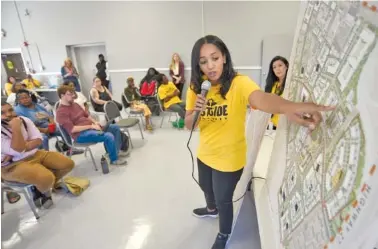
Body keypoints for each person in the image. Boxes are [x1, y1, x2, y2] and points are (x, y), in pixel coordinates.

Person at [185, 35, 334, 249]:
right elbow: (189, 124)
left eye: (215, 58)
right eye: (203, 61)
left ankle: (223, 233)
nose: (210, 66)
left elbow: (262, 99)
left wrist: (289, 107)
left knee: (224, 199)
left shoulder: (239, 83)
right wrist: (198, 109)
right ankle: (211, 210)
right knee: (206, 189)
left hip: (229, 158)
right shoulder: (196, 87)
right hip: (204, 154)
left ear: (224, 58)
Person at [1, 101, 75, 209]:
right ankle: (44, 190)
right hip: (11, 165)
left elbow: (39, 139)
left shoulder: (24, 120)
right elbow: (18, 149)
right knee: (46, 178)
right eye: (2, 112)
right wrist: (16, 127)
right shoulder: (13, 125)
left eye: (10, 110)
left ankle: (40, 186)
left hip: (35, 154)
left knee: (68, 164)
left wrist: (20, 148)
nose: (8, 114)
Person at [56, 85, 128, 165]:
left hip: (91, 128)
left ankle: (115, 152)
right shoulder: (61, 112)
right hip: (80, 135)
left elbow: (87, 115)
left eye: (73, 94)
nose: (73, 96)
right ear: (62, 96)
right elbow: (72, 129)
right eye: (70, 94)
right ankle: (114, 160)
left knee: (115, 127)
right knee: (108, 136)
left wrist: (95, 122)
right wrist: (91, 126)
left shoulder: (75, 104)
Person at [265, 56, 289, 129]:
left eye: (280, 65)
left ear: (286, 66)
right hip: (272, 124)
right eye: (274, 67)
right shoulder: (272, 85)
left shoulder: (291, 85)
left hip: (285, 126)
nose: (277, 69)